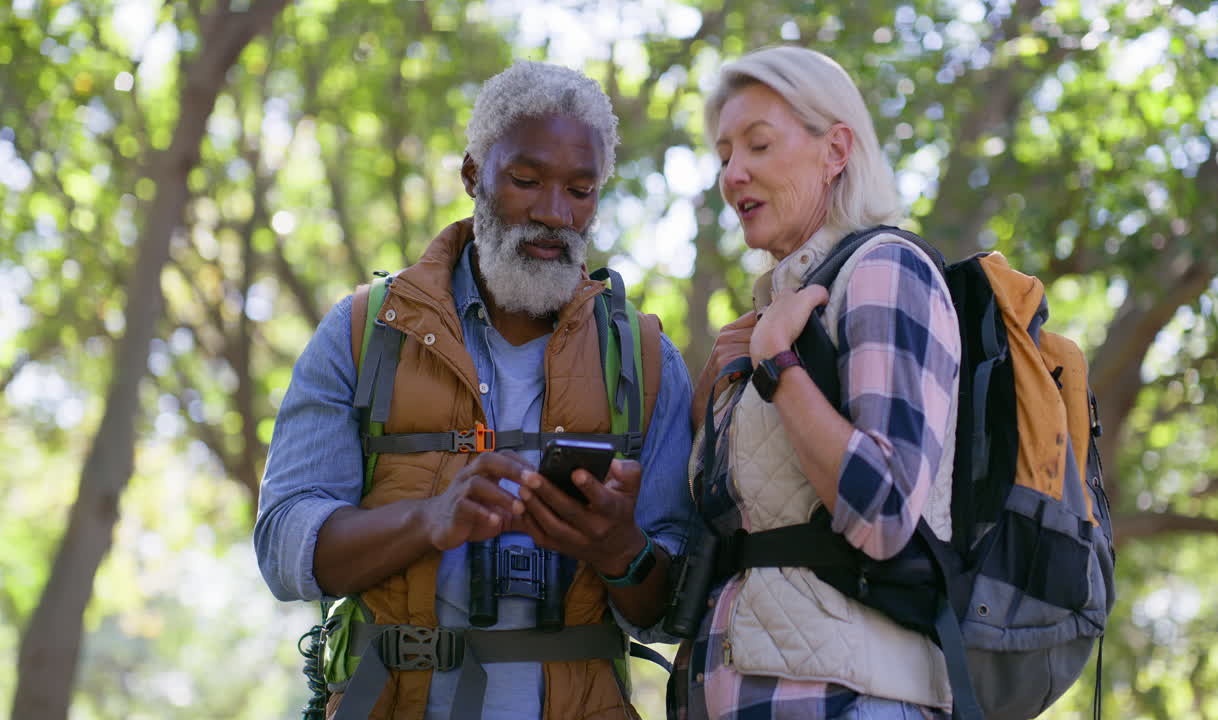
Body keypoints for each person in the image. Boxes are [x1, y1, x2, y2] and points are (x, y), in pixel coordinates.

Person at [254, 60, 694, 720]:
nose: (553, 213)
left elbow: (670, 613)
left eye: (580, 190)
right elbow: (284, 546)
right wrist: (428, 520)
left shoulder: (648, 360)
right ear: (472, 175)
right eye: (525, 180)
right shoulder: (365, 331)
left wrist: (618, 549)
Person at [674, 46, 963, 719]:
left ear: (835, 150)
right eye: (723, 156)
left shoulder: (886, 271)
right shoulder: (779, 312)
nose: (733, 173)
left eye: (759, 145)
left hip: (851, 701)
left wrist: (780, 368)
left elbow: (887, 513)